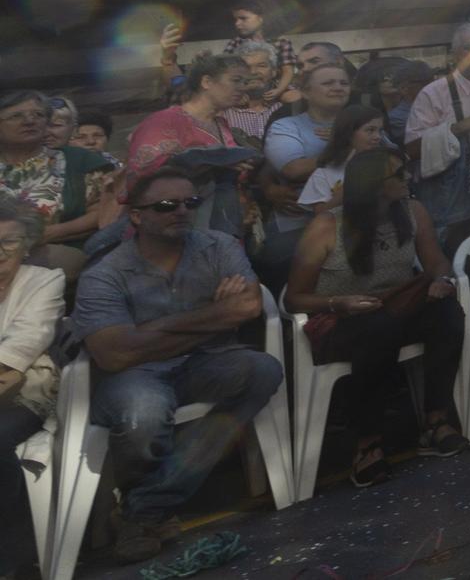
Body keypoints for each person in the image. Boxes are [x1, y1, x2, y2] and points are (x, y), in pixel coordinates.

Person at [72, 168, 284, 562]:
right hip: (135, 375)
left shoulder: (218, 246)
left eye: (191, 202)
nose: (182, 211)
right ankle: (151, 509)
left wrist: (152, 330)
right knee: (144, 411)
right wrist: (214, 315)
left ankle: (145, 508)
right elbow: (114, 354)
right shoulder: (105, 274)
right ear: (136, 216)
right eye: (166, 205)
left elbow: (248, 307)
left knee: (263, 369)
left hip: (209, 362)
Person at [286, 148, 469, 485]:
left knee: (447, 312)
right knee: (378, 328)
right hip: (341, 320)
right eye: (398, 175)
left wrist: (442, 281)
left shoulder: (412, 212)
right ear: (373, 184)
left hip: (395, 307)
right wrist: (339, 302)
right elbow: (294, 298)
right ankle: (367, 443)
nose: (407, 178)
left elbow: (436, 262)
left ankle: (436, 420)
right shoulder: (328, 227)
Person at [405, 23, 470, 256]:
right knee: (461, 266)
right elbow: (411, 150)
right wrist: (460, 127)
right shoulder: (433, 93)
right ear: (454, 55)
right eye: (468, 47)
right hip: (453, 208)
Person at [0, 197, 64, 579]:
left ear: (27, 244)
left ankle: (14, 559)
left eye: (9, 240)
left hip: (24, 395)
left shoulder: (44, 280)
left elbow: (20, 349)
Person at [0, 90, 117, 278]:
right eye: (16, 116)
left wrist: (49, 233)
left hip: (56, 251)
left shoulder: (79, 161)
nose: (29, 121)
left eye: (38, 115)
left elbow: (102, 214)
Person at [262, 63, 353, 240]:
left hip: (358, 221)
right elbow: (294, 170)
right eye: (328, 83)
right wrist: (347, 147)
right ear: (305, 92)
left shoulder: (365, 122)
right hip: (299, 225)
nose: (338, 88)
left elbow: (393, 160)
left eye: (344, 83)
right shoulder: (286, 126)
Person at [127, 53, 248, 179]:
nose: (242, 88)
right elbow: (143, 173)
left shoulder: (221, 124)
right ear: (207, 82)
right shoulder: (163, 122)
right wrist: (213, 167)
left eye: (245, 82)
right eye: (236, 80)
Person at [297, 105, 389, 213]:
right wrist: (348, 187)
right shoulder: (325, 173)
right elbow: (321, 214)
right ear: (348, 133)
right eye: (370, 130)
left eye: (380, 131)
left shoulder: (389, 164)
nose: (377, 136)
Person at [222, 0, 298, 98]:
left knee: (292, 97)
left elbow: (288, 70)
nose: (237, 24)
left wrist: (279, 90)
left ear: (262, 18)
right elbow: (225, 69)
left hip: (275, 87)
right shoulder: (236, 43)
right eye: (236, 20)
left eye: (243, 18)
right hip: (246, 87)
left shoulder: (281, 42)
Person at [222, 41, 288, 150]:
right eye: (246, 67)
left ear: (274, 72)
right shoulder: (221, 110)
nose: (253, 72)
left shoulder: (289, 105)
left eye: (261, 66)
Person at [382, 59, 434, 146]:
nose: (433, 85)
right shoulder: (397, 118)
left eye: (433, 80)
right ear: (404, 88)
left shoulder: (435, 106)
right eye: (425, 82)